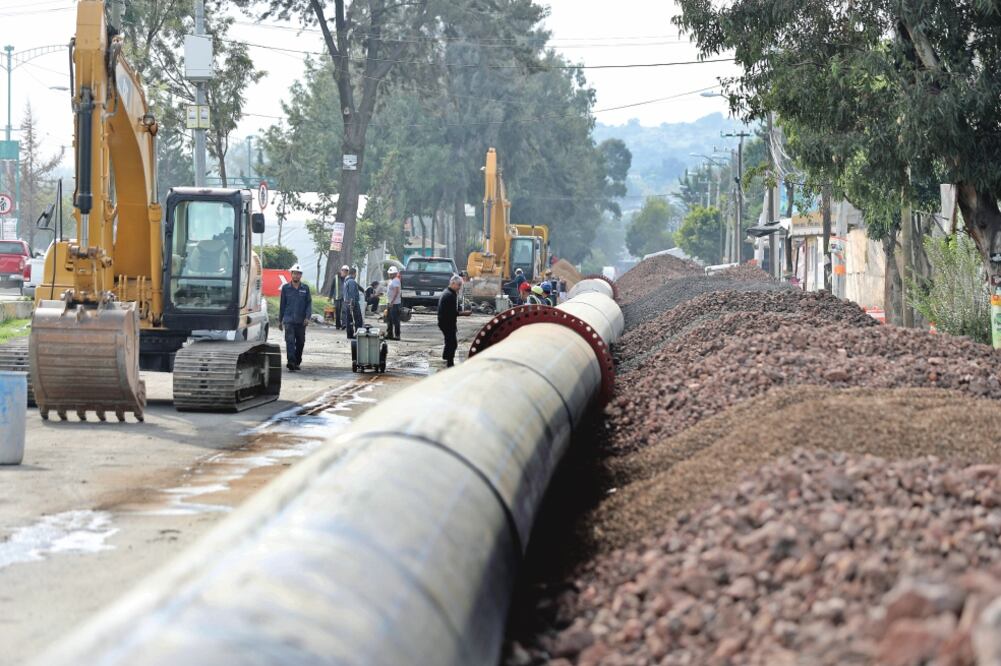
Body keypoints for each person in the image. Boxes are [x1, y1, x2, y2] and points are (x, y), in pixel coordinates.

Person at [278, 264, 311, 372]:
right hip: (288, 320)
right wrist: (280, 320)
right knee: (290, 341)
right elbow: (282, 305)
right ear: (291, 274)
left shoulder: (305, 289)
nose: (296, 276)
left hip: (301, 321)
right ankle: (291, 362)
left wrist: (307, 317)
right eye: (294, 274)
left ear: (301, 276)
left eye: (298, 274)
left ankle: (297, 361)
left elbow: (309, 304)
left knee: (300, 342)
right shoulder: (285, 288)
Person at [437, 274, 469, 367]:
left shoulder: (451, 293)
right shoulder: (449, 295)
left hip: (446, 321)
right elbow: (452, 312)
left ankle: (445, 359)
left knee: (449, 342)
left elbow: (454, 309)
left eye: (460, 285)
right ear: (453, 283)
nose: (459, 288)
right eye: (458, 285)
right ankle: (449, 363)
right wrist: (464, 313)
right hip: (446, 322)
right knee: (452, 343)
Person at [342, 267, 363, 338]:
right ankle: (358, 334)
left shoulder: (346, 280)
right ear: (354, 273)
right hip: (353, 303)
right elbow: (351, 294)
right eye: (356, 274)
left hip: (347, 303)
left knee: (349, 319)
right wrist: (352, 304)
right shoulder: (351, 281)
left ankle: (350, 334)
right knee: (358, 319)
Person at [329, 265, 349, 329]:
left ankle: (344, 324)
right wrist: (330, 296)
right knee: (337, 312)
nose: (344, 273)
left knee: (344, 310)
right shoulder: (336, 277)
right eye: (343, 271)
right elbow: (332, 287)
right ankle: (338, 325)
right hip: (337, 297)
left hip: (344, 298)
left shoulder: (348, 278)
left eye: (346, 271)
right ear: (341, 271)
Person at [386, 265, 402, 340]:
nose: (389, 274)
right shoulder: (391, 280)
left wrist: (392, 302)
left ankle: (397, 335)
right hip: (390, 303)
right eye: (389, 273)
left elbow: (396, 292)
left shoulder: (396, 280)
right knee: (389, 319)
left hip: (394, 304)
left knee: (395, 320)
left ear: (395, 274)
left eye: (391, 273)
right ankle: (389, 334)